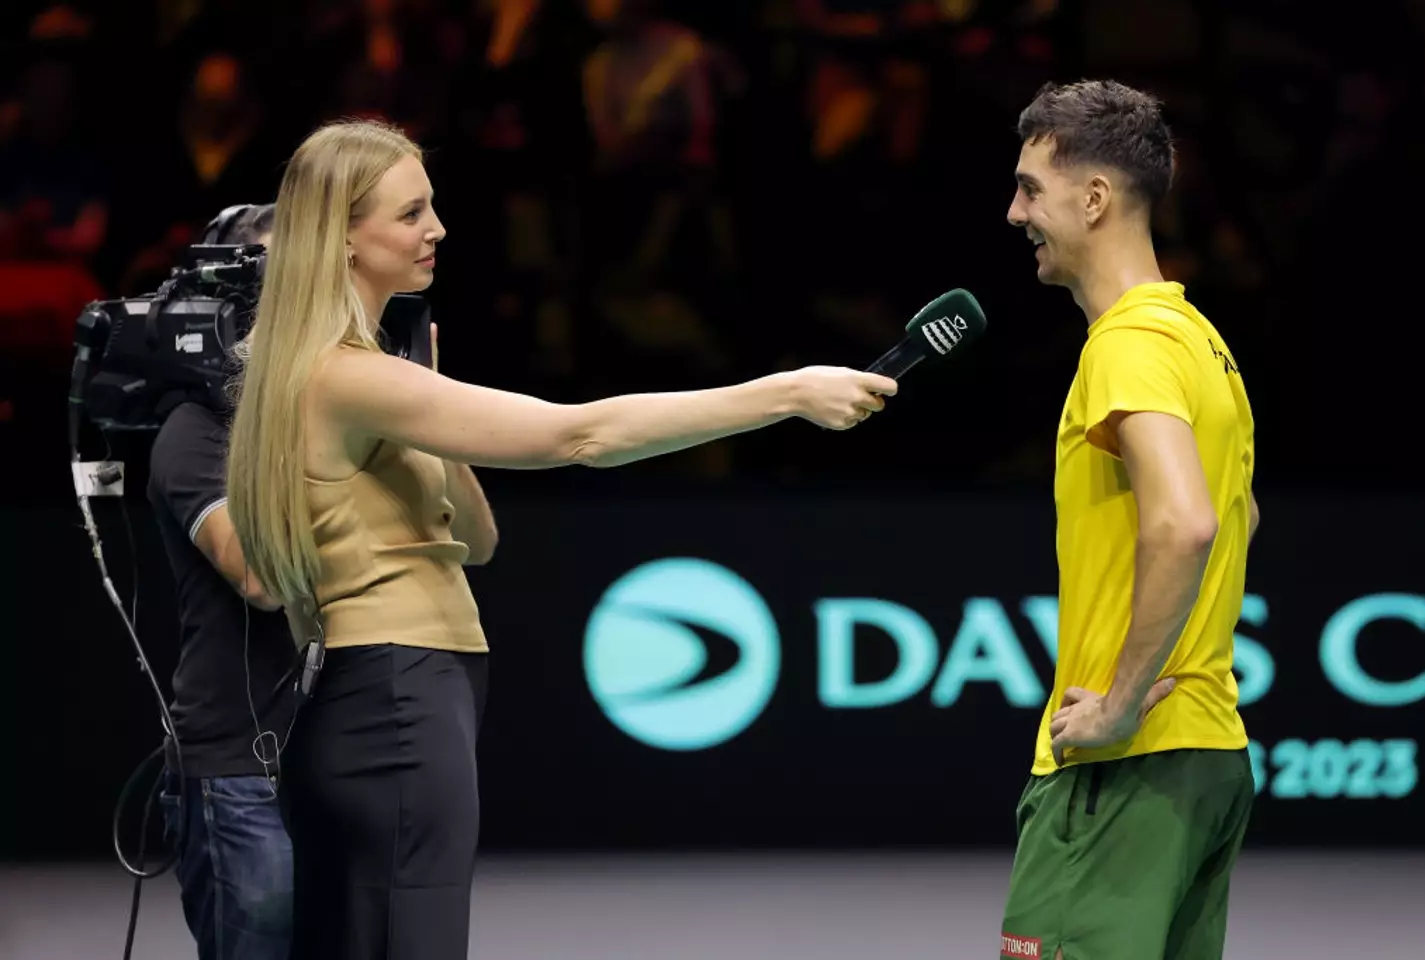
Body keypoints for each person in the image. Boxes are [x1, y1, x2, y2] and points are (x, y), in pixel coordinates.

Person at [223, 118, 896, 960]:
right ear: (344, 238)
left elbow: (475, 541)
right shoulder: (351, 378)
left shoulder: (335, 373)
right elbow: (581, 436)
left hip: (384, 701)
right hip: (395, 701)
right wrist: (787, 391)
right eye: (410, 213)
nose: (438, 229)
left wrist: (430, 400)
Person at [996, 80, 1259, 960]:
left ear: (1096, 198)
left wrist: (1114, 708)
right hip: (1209, 758)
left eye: (1031, 188)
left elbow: (1188, 524)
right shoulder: (1201, 343)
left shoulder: (1127, 345)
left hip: (1125, 773)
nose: (1014, 211)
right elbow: (1243, 514)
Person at [150, 202, 296, 960]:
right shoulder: (193, 432)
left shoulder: (331, 414)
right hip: (239, 769)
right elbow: (263, 579)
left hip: (330, 754)